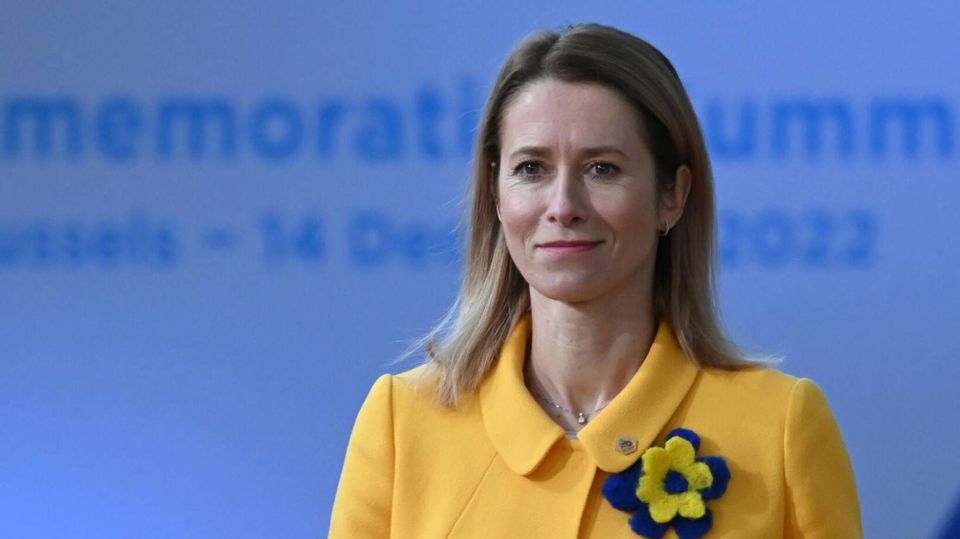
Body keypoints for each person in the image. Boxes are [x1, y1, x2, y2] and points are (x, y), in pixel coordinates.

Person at [330, 23, 861, 538]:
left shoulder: (780, 425)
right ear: (495, 193)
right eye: (531, 169)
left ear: (672, 196)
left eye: (602, 168)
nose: (563, 206)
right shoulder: (404, 422)